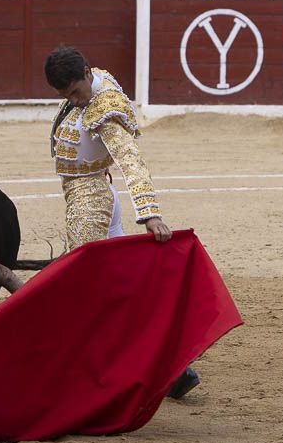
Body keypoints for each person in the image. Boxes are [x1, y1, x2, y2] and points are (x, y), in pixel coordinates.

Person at [42, 46, 198, 400]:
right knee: (116, 284)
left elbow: (131, 161)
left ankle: (101, 371)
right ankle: (172, 367)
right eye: (67, 96)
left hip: (90, 199)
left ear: (85, 74)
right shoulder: (93, 80)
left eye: (76, 93)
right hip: (97, 192)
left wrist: (149, 212)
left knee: (87, 290)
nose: (75, 101)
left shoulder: (104, 108)